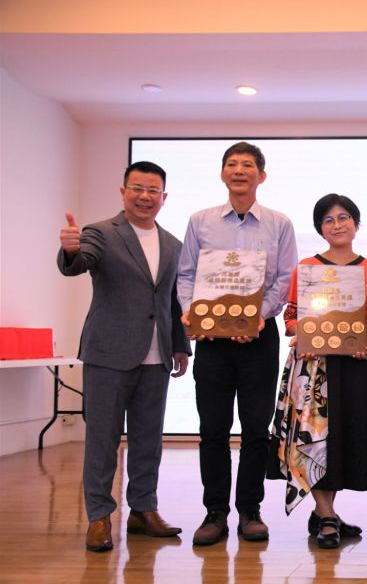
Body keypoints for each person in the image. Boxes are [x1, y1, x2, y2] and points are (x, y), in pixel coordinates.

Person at [57, 160, 190, 551]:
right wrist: (70, 251)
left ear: (164, 197)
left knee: (148, 440)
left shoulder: (173, 244)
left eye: (153, 191)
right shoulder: (101, 232)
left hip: (157, 357)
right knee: (103, 439)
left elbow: (172, 299)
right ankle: (99, 516)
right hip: (108, 353)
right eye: (138, 188)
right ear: (123, 191)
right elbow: (80, 262)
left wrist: (180, 344)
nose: (145, 197)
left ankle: (143, 510)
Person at [177, 141, 298, 546]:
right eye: (232, 164)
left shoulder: (279, 224)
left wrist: (257, 317)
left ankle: (250, 510)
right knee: (212, 428)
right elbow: (187, 275)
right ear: (222, 173)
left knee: (255, 430)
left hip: (258, 337)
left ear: (261, 176)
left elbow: (285, 280)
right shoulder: (200, 221)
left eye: (248, 165)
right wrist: (192, 313)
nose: (239, 170)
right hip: (212, 340)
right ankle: (214, 512)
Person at [271, 194, 367, 549]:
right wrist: (303, 335)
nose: (337, 225)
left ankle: (324, 513)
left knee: (343, 439)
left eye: (344, 217)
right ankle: (327, 514)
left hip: (357, 364)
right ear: (320, 228)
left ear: (356, 224)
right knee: (314, 439)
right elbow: (291, 317)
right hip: (314, 365)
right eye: (329, 220)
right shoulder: (306, 268)